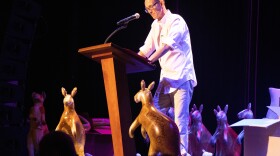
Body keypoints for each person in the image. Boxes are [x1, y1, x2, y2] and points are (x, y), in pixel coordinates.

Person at [138, 0, 197, 155]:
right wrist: (131, 61)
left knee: (180, 121)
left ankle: (181, 153)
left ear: (162, 2)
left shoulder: (176, 21)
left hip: (182, 78)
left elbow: (166, 46)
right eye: (147, 9)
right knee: (153, 115)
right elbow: (146, 48)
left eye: (152, 6)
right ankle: (157, 150)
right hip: (166, 80)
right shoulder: (155, 26)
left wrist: (150, 60)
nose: (150, 11)